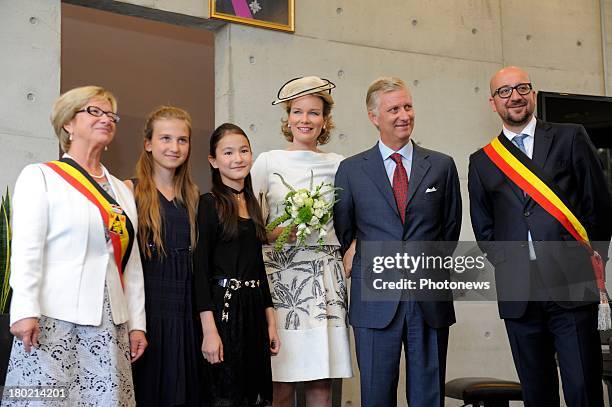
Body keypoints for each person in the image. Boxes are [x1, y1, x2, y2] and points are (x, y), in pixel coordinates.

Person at [468, 66, 612, 406]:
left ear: (532, 93)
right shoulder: (482, 161)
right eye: (504, 91)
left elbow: (599, 208)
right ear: (493, 103)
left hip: (571, 284)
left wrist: (587, 263)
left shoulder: (570, 136)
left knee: (583, 388)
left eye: (522, 88)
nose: (514, 96)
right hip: (519, 291)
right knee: (537, 392)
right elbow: (484, 228)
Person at [5, 86, 147, 405]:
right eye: (94, 111)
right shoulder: (41, 176)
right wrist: (25, 309)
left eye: (111, 115)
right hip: (52, 316)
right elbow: (27, 251)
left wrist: (138, 324)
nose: (106, 119)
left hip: (111, 322)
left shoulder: (122, 193)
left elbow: (132, 267)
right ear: (68, 123)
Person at [333, 77, 461, 407]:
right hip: (374, 303)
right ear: (374, 116)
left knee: (428, 397)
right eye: (393, 109)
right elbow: (346, 230)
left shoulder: (442, 166)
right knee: (376, 396)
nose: (404, 114)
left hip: (428, 301)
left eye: (407, 106)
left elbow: (449, 231)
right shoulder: (350, 171)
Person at [251, 76, 353, 407]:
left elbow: (353, 220)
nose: (304, 120)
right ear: (288, 117)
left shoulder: (339, 164)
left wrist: (352, 249)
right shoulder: (268, 161)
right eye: (297, 112)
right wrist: (275, 232)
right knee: (280, 377)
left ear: (324, 120)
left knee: (321, 377)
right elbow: (248, 224)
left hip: (324, 276)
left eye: (313, 113)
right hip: (280, 277)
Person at [194, 123, 280, 407]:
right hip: (224, 310)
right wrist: (209, 331)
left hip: (254, 309)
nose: (238, 158)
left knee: (253, 395)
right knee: (226, 395)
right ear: (213, 160)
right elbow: (200, 270)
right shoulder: (208, 204)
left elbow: (258, 266)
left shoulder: (253, 203)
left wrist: (271, 322)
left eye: (243, 151)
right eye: (228, 152)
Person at [127, 106, 201, 406]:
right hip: (148, 318)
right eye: (165, 138)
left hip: (188, 318)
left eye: (182, 140)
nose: (174, 147)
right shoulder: (128, 191)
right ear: (148, 143)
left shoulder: (194, 197)